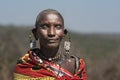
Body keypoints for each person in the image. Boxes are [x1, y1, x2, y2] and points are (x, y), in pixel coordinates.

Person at [14, 9, 87, 80]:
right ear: (35, 33)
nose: (51, 33)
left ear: (64, 33)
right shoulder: (25, 65)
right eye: (45, 26)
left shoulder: (76, 66)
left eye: (57, 27)